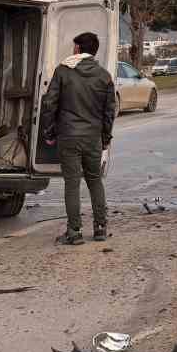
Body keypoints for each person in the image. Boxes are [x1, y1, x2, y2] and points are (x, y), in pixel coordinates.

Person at [42, 31, 117, 245]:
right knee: (95, 181)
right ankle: (100, 227)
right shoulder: (104, 76)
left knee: (72, 184)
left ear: (77, 49)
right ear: (94, 51)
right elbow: (109, 112)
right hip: (93, 137)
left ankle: (74, 232)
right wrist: (105, 138)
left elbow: (49, 104)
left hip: (68, 137)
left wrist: (49, 132)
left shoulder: (63, 71)